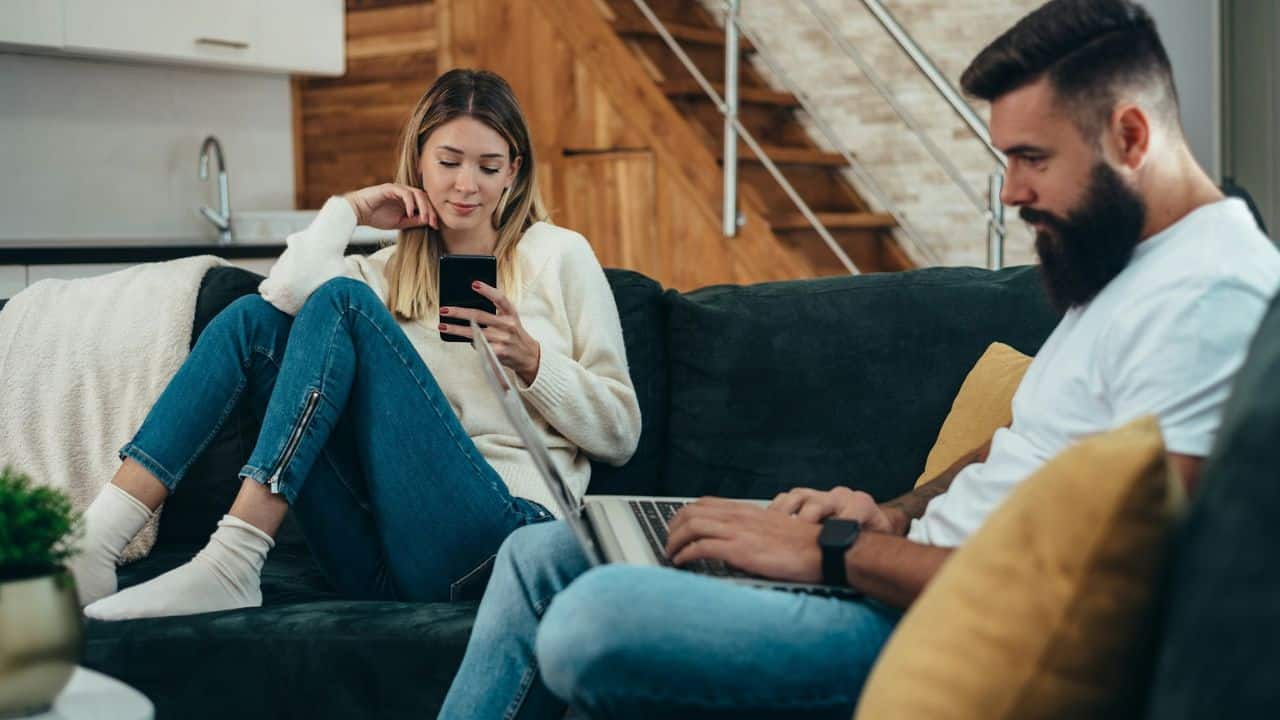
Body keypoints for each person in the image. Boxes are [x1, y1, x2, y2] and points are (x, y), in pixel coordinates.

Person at [438, 1, 1280, 718]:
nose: (1011, 193)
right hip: (892, 570)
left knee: (591, 620)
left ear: (1130, 135)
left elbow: (1132, 592)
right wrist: (891, 513)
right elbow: (1016, 448)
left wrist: (836, 553)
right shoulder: (1121, 266)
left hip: (933, 623)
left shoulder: (1211, 300)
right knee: (541, 553)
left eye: (1032, 159)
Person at [69, 68, 641, 620]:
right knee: (254, 321)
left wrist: (535, 362)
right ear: (419, 158)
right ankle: (96, 544)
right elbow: (282, 293)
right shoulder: (383, 274)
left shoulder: (558, 254)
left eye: (489, 167)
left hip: (500, 539)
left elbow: (620, 433)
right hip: (381, 561)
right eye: (448, 162)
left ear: (513, 172)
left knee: (340, 300)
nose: (467, 185)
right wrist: (351, 210)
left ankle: (233, 558)